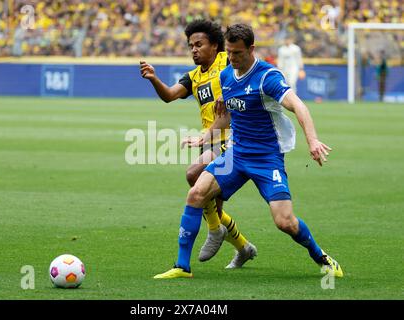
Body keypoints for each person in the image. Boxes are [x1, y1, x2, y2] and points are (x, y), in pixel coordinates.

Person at [154, 23, 343, 279]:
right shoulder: (226, 76)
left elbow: (299, 106)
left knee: (285, 222)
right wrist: (205, 136)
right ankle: (182, 267)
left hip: (267, 159)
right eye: (229, 53)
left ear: (251, 49)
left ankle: (321, 257)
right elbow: (228, 116)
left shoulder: (268, 77)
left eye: (238, 53)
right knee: (196, 193)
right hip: (236, 154)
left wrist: (313, 141)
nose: (232, 59)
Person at [140, 20, 256, 279]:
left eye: (199, 44)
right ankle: (243, 247)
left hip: (236, 137)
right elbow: (170, 95)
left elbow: (247, 72)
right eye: (191, 45)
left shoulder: (228, 61)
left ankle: (213, 233)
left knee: (194, 177)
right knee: (209, 200)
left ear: (215, 46)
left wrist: (230, 94)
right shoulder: (193, 77)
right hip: (211, 140)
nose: (193, 50)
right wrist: (153, 79)